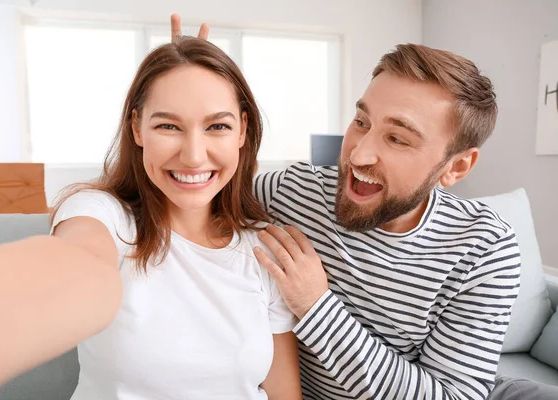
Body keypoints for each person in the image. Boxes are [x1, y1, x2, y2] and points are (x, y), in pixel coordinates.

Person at [171, 15, 558, 400]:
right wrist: (186, 90)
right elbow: (187, 187)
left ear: (455, 167)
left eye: (397, 139)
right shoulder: (291, 191)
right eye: (361, 121)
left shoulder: (485, 248)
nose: (358, 152)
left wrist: (315, 305)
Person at [0, 36, 302, 400]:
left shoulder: (266, 249)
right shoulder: (101, 213)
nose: (194, 156)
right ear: (137, 127)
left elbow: (282, 391)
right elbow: (79, 268)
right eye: (168, 126)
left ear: (243, 130)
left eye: (217, 126)